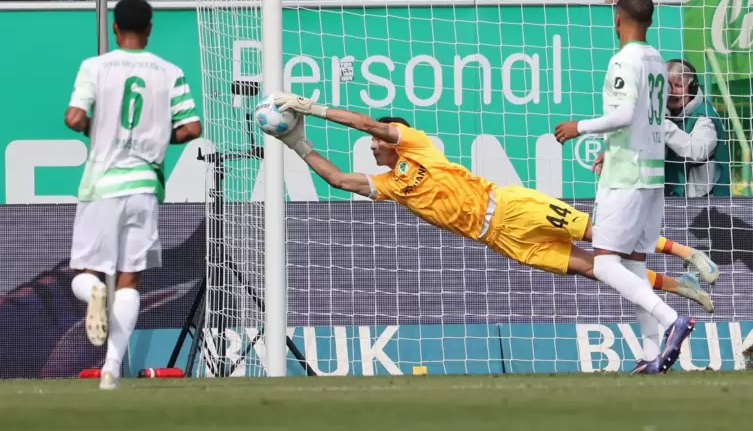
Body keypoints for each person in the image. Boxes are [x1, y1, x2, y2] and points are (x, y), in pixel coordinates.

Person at [267, 88, 715, 316]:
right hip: (499, 238)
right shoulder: (389, 184)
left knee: (604, 236)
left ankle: (687, 252)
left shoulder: (416, 145)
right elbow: (340, 180)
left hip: (509, 205)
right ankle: (682, 288)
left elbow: (371, 124)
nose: (371, 146)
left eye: (376, 142)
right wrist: (296, 142)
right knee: (591, 266)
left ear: (394, 138)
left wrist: (312, 106)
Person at [64, 0, 202, 390]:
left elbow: (74, 117)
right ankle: (111, 369)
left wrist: (94, 126)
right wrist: (158, 138)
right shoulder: (169, 71)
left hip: (102, 183)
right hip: (144, 185)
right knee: (129, 280)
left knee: (88, 272)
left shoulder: (96, 67)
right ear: (150, 28)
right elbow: (192, 128)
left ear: (113, 27)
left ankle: (93, 291)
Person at [554, 0, 693, 375]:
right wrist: (610, 149)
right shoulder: (656, 61)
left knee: (603, 264)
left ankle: (670, 320)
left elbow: (626, 112)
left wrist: (578, 128)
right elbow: (648, 118)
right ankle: (651, 354)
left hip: (626, 176)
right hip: (650, 173)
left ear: (618, 19)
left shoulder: (623, 59)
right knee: (633, 265)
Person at [665, 58, 730, 198]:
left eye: (678, 85)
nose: (672, 92)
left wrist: (663, 126)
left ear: (692, 88)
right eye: (668, 86)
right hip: (672, 195)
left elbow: (697, 151)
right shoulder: (663, 111)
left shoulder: (705, 117)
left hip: (706, 200)